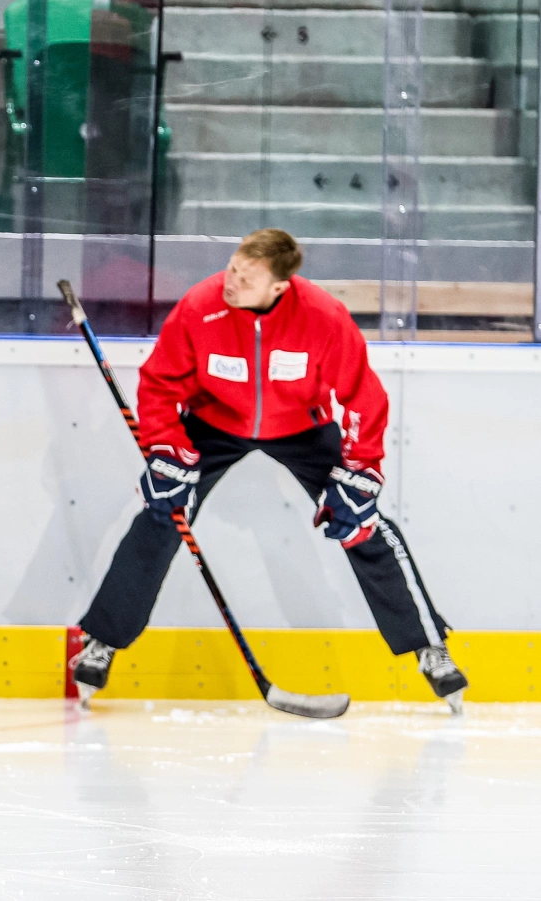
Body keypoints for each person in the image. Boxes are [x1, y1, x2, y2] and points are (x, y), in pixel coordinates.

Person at [70, 228, 468, 713]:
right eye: (233, 268)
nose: (231, 282)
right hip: (213, 422)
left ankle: (429, 646)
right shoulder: (200, 307)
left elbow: (364, 396)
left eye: (247, 278)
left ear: (279, 286)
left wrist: (360, 468)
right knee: (164, 514)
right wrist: (168, 449)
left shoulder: (322, 317)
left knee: (361, 521)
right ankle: (102, 641)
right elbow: (159, 384)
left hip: (303, 427)